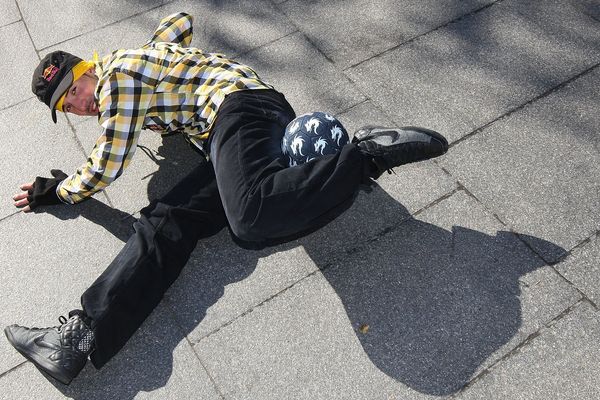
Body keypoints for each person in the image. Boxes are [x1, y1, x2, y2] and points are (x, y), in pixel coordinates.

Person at [4, 12, 448, 385]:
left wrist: (57, 192)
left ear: (89, 69)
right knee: (166, 220)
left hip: (242, 109)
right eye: (68, 107)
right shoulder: (130, 69)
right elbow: (179, 21)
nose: (81, 105)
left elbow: (106, 165)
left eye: (76, 89)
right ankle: (78, 339)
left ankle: (364, 156)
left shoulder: (115, 83)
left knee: (250, 220)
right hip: (225, 137)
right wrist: (167, 66)